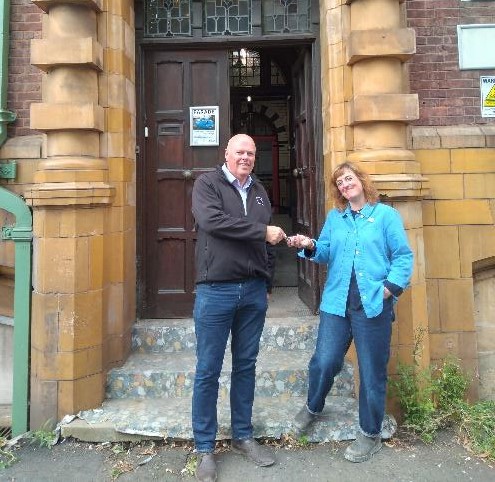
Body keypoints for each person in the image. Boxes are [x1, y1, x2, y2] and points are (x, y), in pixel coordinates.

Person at [286, 161, 414, 463]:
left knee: (371, 369)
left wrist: (389, 289)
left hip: (372, 302)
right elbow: (326, 250)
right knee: (325, 360)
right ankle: (313, 407)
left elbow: (403, 257)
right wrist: (309, 244)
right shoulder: (336, 217)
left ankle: (370, 433)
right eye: (340, 183)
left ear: (361, 181)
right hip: (337, 301)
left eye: (349, 179)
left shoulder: (385, 216)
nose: (345, 185)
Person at [191, 134, 286, 481]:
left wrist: (268, 280)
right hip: (216, 290)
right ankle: (205, 447)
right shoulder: (207, 184)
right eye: (239, 152)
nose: (245, 157)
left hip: (253, 292)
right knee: (208, 369)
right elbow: (213, 222)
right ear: (226, 154)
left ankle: (242, 436)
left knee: (245, 365)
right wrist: (262, 232)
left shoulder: (259, 191)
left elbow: (271, 244)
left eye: (251, 153)